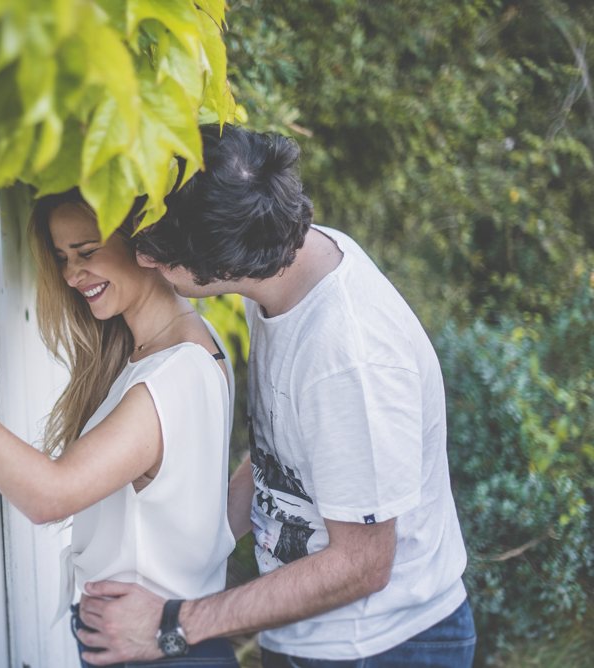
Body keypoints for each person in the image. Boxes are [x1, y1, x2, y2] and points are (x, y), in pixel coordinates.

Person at [75, 126, 475, 667]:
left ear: (223, 262)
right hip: (304, 634)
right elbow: (282, 460)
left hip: (380, 647)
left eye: (162, 256)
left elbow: (362, 564)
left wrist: (171, 625)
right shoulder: (280, 265)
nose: (144, 261)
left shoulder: (349, 359)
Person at [0, 188, 240, 667]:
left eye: (87, 251)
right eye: (61, 258)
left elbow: (49, 495)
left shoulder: (172, 375)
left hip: (157, 652)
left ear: (144, 244)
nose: (73, 274)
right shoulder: (194, 345)